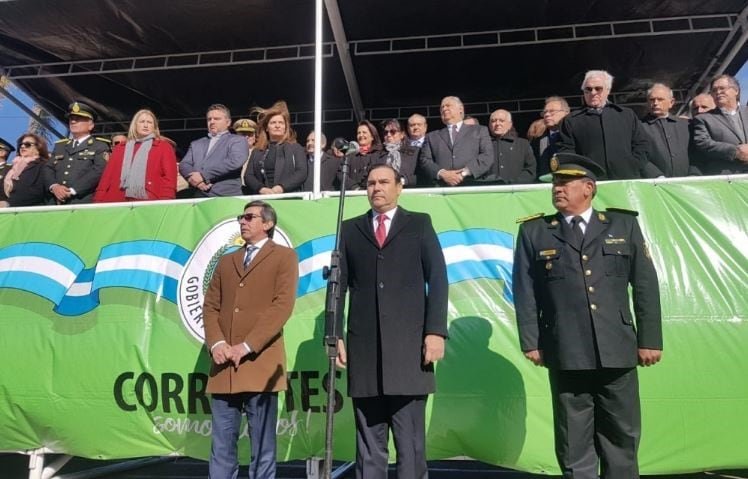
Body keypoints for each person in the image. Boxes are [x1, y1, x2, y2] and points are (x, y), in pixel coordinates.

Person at [513, 152, 662, 479]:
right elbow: (525, 292)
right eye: (554, 183)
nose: (557, 189)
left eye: (565, 182)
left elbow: (645, 285)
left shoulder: (623, 224)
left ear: (589, 188)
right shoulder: (535, 232)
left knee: (621, 436)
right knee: (572, 441)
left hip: (618, 347)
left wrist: (650, 340)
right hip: (566, 349)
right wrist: (531, 341)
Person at [335, 164, 449, 478]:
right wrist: (334, 335)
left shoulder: (419, 224)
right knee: (369, 447)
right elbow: (339, 286)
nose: (376, 188)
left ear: (399, 186)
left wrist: (436, 332)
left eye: (384, 182)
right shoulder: (350, 229)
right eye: (370, 183)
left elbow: (437, 279)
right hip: (365, 351)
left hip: (410, 351)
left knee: (410, 445)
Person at [203, 200, 299, 479]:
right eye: (241, 217)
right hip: (224, 367)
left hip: (260, 363)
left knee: (263, 445)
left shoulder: (284, 257)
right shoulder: (226, 260)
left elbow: (281, 307)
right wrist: (218, 344)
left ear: (268, 224)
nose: (242, 222)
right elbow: (211, 306)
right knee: (221, 444)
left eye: (249, 217)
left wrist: (246, 346)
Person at [557, 70, 650, 180]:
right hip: (589, 181)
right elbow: (567, 151)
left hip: (626, 178)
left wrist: (633, 165)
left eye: (598, 88)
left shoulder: (626, 115)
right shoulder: (571, 120)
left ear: (608, 90)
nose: (593, 92)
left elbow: (642, 144)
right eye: (588, 89)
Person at [93, 109, 177, 202]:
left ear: (154, 127)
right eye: (142, 122)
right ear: (135, 125)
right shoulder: (120, 148)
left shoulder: (163, 147)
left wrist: (166, 200)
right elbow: (107, 177)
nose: (145, 125)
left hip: (148, 201)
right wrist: (98, 200)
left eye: (149, 122)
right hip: (116, 200)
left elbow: (169, 178)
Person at [418, 95, 493, 186]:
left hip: (473, 184)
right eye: (442, 107)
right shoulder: (432, 136)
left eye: (448, 105)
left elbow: (487, 155)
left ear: (461, 109)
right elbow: (425, 160)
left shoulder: (479, 130)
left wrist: (464, 173)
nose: (444, 109)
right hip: (442, 187)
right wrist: (442, 173)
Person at [44, 101, 110, 204]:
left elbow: (99, 171)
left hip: (81, 201)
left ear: (91, 125)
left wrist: (72, 191)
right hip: (54, 201)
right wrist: (54, 186)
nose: (73, 122)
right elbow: (48, 168)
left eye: (78, 119)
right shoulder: (60, 146)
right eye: (71, 119)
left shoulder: (99, 146)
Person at [179, 103, 248, 197]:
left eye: (217, 119)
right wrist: (195, 180)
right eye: (209, 119)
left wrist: (203, 175)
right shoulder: (196, 143)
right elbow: (184, 164)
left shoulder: (237, 140)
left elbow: (235, 161)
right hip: (199, 195)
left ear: (228, 122)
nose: (212, 122)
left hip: (227, 196)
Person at [244, 101, 308, 195]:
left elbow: (301, 172)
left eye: (281, 123)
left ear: (285, 127)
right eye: (273, 123)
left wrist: (281, 187)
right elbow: (249, 176)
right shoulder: (257, 151)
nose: (277, 126)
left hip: (289, 198)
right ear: (267, 127)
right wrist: (261, 189)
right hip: (263, 199)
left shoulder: (296, 148)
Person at [691, 74, 748, 175]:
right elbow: (703, 143)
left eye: (722, 88)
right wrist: (735, 152)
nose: (718, 92)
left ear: (736, 91)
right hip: (726, 177)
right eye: (714, 90)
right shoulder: (703, 119)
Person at [639, 83, 695, 178]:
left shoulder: (685, 125)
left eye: (660, 99)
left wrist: (694, 174)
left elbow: (695, 152)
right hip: (654, 185)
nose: (656, 103)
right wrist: (656, 175)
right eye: (652, 100)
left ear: (671, 102)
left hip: (688, 183)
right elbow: (638, 155)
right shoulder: (638, 127)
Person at [482, 109, 536, 184]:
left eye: (501, 120)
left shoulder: (523, 144)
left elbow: (530, 169)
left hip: (516, 192)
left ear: (510, 124)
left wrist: (513, 183)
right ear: (489, 125)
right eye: (493, 121)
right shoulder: (482, 145)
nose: (497, 123)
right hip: (488, 191)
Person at [0, 133, 50, 208]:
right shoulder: (14, 168)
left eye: (27, 144)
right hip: (10, 212)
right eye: (21, 144)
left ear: (38, 147)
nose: (22, 146)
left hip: (30, 212)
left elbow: (36, 191)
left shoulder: (42, 165)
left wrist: (8, 203)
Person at [369, 118, 420, 186]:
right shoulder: (376, 155)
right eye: (385, 132)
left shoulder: (415, 152)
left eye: (393, 131)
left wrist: (404, 180)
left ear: (402, 134)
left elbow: (422, 175)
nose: (389, 135)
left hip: (408, 192)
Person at [532, 96, 570, 180]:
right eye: (544, 112)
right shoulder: (537, 142)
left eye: (552, 111)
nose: (547, 115)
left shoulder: (576, 136)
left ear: (566, 113)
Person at [339, 120, 382, 190]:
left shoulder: (379, 154)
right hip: (352, 194)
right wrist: (354, 187)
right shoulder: (350, 154)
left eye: (364, 132)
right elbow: (341, 173)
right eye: (359, 133)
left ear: (372, 137)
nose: (361, 135)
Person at [232, 118, 258, 195]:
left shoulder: (262, 153)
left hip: (255, 191)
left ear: (254, 137)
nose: (246, 137)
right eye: (243, 134)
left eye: (250, 134)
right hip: (235, 190)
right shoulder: (228, 153)